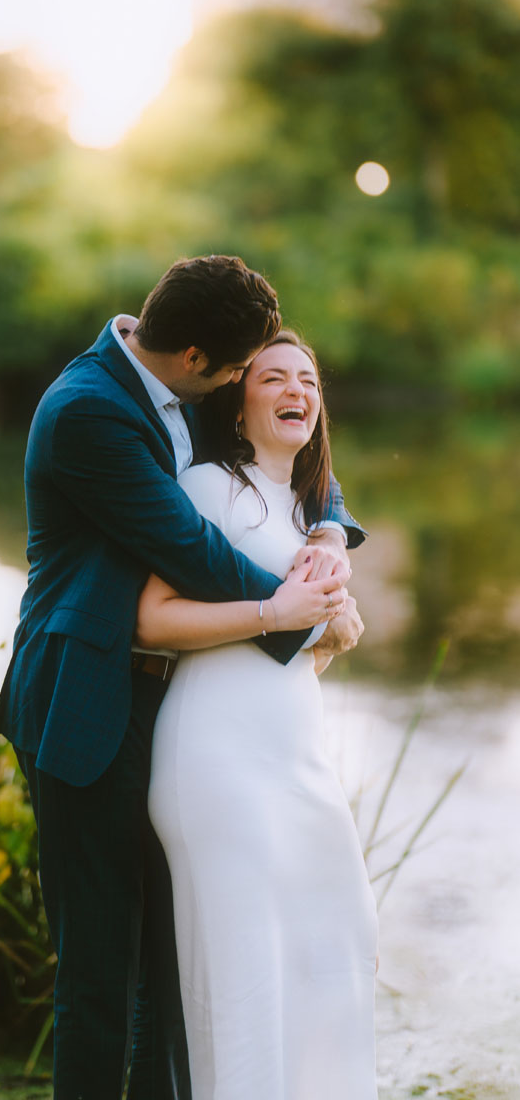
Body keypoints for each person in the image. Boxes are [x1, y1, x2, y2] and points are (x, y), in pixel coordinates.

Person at [0, 256, 365, 1100]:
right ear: (200, 361)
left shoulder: (178, 391)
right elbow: (188, 551)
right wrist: (304, 614)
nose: (249, 383)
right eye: (242, 370)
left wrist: (332, 539)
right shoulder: (87, 410)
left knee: (176, 956)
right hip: (85, 699)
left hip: (178, 710)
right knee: (99, 969)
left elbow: (296, 456)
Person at [140, 330, 378, 1100]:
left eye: (307, 379)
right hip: (216, 762)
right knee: (245, 982)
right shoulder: (210, 487)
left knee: (337, 944)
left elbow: (312, 641)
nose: (295, 391)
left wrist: (332, 623)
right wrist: (279, 615)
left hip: (296, 761)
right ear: (238, 405)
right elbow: (151, 620)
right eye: (273, 377)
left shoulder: (309, 514)